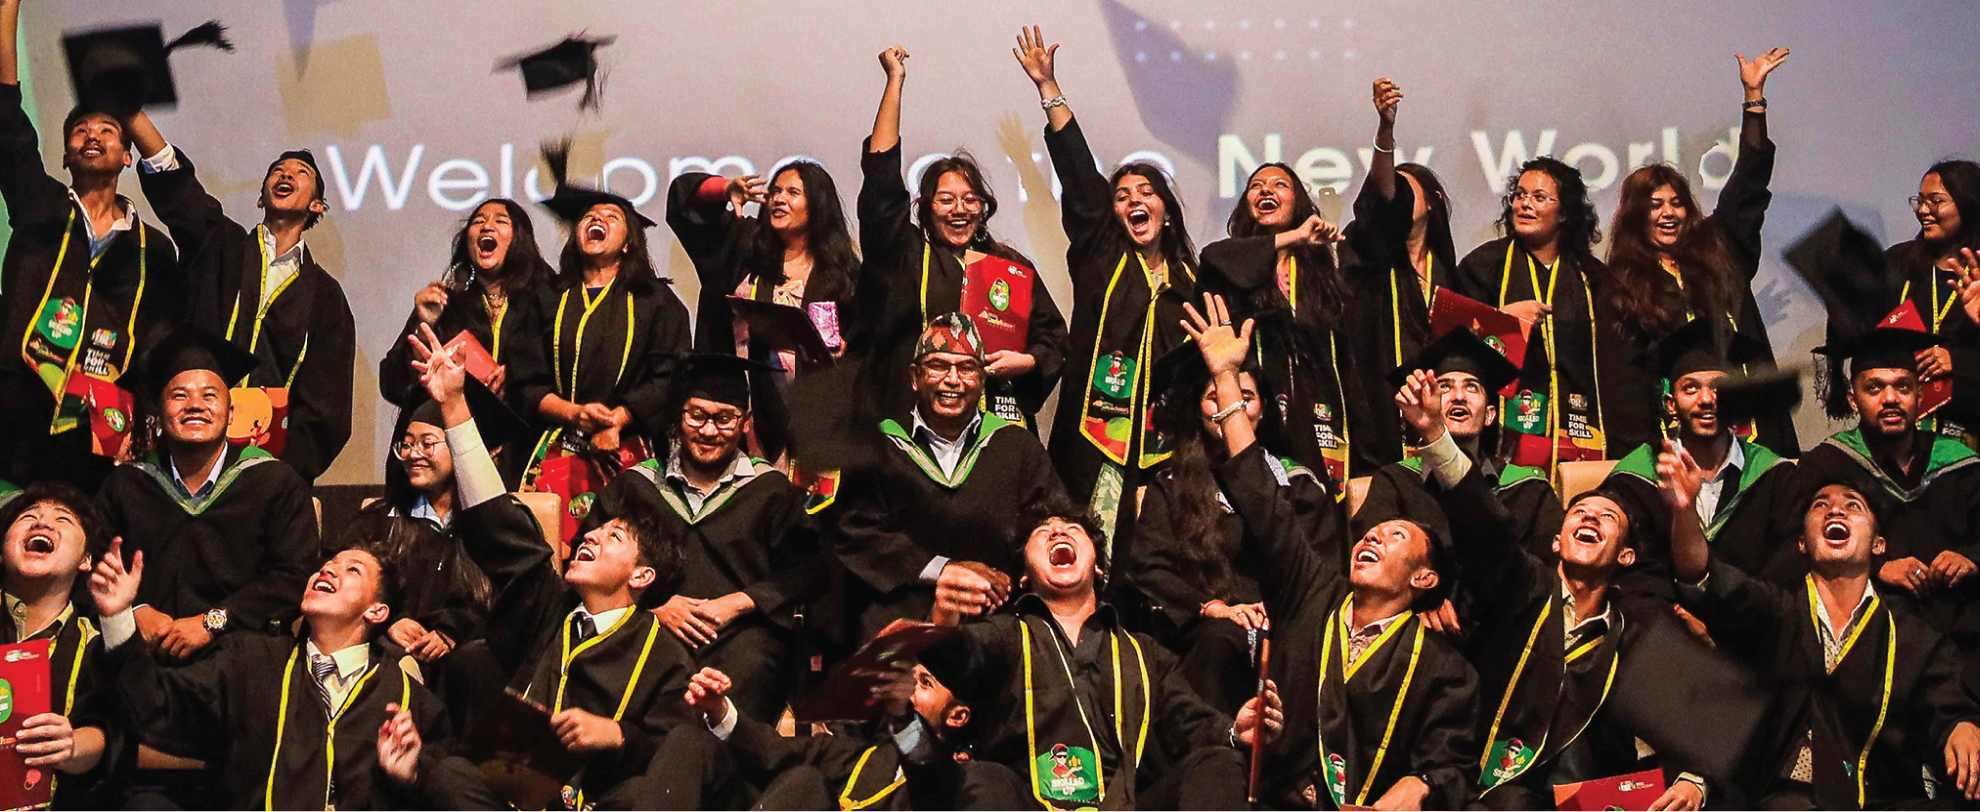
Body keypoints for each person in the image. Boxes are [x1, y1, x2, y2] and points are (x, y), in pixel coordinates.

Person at [1188, 294, 1481, 812]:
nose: (1372, 537)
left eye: (1396, 536)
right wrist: (1227, 377)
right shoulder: (1311, 593)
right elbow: (1260, 494)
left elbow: (1449, 766)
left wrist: (1417, 787)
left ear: (1424, 578)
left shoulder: (1445, 670)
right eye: (1372, 532)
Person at [1392, 369, 1718, 812]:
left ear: (1626, 556)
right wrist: (1434, 434)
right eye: (1579, 512)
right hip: (1498, 791)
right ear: (1555, 542)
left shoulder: (1635, 625)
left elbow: (1696, 708)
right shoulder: (1522, 589)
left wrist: (1693, 780)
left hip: (1593, 794)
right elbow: (1486, 525)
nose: (1590, 518)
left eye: (1608, 518)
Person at [409, 323, 694, 809]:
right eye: (596, 530)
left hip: (599, 799)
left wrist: (616, 734)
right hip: (516, 789)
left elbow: (674, 754)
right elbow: (496, 521)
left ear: (642, 575)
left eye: (614, 537)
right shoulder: (549, 605)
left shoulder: (665, 655)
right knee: (448, 775)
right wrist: (454, 405)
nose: (591, 536)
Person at [918, 503, 1283, 812]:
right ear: (1025, 576)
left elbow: (1190, 724)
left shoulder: (1146, 655)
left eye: (1072, 529)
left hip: (1128, 804)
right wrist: (943, 618)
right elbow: (952, 657)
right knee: (982, 778)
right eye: (1042, 532)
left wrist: (1237, 731)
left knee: (1218, 763)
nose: (1057, 532)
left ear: (1098, 567)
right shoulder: (1005, 636)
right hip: (1031, 805)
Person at [1663, 468, 1980, 811]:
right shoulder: (1775, 613)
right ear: (1802, 542)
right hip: (1788, 797)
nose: (1836, 511)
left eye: (1853, 505)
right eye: (1820, 505)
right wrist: (1684, 510)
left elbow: (1946, 700)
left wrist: (1961, 726)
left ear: (1878, 544)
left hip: (1876, 798)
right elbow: (1704, 574)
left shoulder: (1909, 634)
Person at [90, 525, 452, 812]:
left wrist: (408, 777)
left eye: (352, 569)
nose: (328, 569)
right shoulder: (250, 662)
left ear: (376, 611)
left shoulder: (409, 703)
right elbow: (156, 706)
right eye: (327, 564)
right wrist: (118, 618)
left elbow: (438, 795)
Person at [1015, 25, 1202, 542]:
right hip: (1096, 439)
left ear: (1166, 211)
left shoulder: (1193, 280)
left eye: (1146, 192)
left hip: (1167, 445)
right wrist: (1048, 88)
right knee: (1088, 542)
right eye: (1122, 196)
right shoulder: (1103, 256)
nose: (1133, 200)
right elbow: (1078, 174)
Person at [0, 0, 183, 492]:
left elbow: (155, 344)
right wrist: (7, 10)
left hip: (99, 430)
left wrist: (144, 422)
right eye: (80, 131)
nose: (92, 136)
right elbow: (7, 122)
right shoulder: (41, 207)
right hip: (17, 412)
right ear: (65, 155)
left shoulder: (152, 250)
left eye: (107, 130)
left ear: (128, 156)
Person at [587, 354, 826, 722]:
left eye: (724, 419)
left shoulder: (770, 490)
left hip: (740, 638)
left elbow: (806, 570)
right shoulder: (637, 487)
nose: (709, 431)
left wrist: (737, 603)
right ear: (678, 417)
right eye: (696, 416)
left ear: (746, 422)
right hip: (649, 628)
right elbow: (589, 564)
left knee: (755, 666)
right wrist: (653, 607)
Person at [121, 111, 356, 483]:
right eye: (277, 171)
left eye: (301, 173)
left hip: (265, 471)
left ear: (317, 206)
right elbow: (175, 185)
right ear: (261, 198)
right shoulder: (219, 244)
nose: (286, 175)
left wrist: (277, 474)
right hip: (183, 453)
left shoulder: (327, 298)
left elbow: (326, 410)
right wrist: (130, 113)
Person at [855, 44, 1068, 431]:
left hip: (995, 428)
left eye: (971, 200)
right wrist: (894, 82)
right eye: (946, 199)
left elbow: (1052, 337)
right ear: (926, 207)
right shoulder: (905, 256)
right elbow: (882, 182)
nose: (960, 209)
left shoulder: (1010, 265)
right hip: (913, 427)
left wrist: (1028, 361)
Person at [1599, 49, 1796, 459]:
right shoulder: (1623, 285)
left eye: (1676, 203)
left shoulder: (1719, 251)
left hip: (1755, 433)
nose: (1668, 213)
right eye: (1654, 205)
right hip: (1679, 444)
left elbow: (1748, 185)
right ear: (1635, 216)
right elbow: (1624, 385)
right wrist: (1641, 463)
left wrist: (1754, 101)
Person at [829, 313, 1067, 645]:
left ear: (982, 380)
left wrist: (1009, 579)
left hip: (995, 622)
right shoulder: (879, 448)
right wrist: (941, 570)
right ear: (915, 377)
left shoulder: (1018, 449)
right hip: (902, 619)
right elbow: (854, 532)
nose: (953, 380)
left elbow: (1052, 523)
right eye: (938, 366)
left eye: (967, 368)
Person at [94, 325, 320, 660]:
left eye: (210, 396)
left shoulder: (275, 483)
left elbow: (294, 577)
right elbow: (95, 561)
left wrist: (214, 621)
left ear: (231, 414)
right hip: (144, 657)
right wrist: (134, 610)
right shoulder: (127, 486)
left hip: (242, 659)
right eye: (179, 396)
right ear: (160, 413)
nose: (195, 405)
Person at [1130, 343, 1328, 715]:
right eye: (1215, 396)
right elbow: (1150, 568)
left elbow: (1321, 566)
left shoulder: (1297, 484)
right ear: (1197, 409)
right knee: (1219, 641)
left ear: (1263, 409)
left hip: (1286, 626)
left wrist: (1275, 610)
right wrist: (1212, 608)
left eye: (1245, 397)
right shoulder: (1170, 486)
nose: (1231, 405)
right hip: (1202, 631)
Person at [1798, 310, 1980, 671]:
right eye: (1874, 388)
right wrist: (1876, 567)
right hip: (1873, 647)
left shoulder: (1962, 464)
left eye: (1903, 387)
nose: (1890, 398)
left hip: (1964, 645)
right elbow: (1799, 552)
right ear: (1853, 399)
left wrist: (1971, 559)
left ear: (1920, 394)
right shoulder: (1827, 467)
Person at [515, 144, 693, 497]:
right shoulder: (547, 297)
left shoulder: (656, 301)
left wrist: (615, 421)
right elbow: (525, 380)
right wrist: (574, 414)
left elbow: (671, 376)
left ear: (628, 243)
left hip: (629, 448)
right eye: (588, 216)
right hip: (553, 449)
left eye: (612, 217)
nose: (596, 219)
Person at [1199, 160, 1372, 485]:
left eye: (1280, 184)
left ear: (1298, 202)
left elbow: (1345, 362)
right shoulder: (1230, 264)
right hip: (1258, 405)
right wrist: (1295, 235)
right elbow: (1214, 256)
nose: (1266, 189)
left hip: (1318, 410)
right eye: (1256, 186)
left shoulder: (1322, 275)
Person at [1601, 318, 1801, 584]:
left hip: (1752, 608)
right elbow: (1628, 571)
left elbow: (1787, 567)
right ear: (1671, 405)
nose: (1706, 399)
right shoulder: (1635, 478)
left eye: (1718, 388)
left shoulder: (1775, 477)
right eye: (1690, 388)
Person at [1452, 156, 1608, 476]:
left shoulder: (1594, 278)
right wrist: (1501, 321)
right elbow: (1450, 346)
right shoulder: (1483, 266)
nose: (1525, 204)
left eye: (1539, 197)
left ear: (1564, 212)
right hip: (1500, 444)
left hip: (1579, 439)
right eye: (1520, 195)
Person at [378, 199, 555, 479]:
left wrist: (520, 375)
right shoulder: (445, 303)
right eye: (478, 221)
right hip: (449, 457)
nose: (487, 225)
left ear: (519, 238)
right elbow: (392, 385)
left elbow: (569, 374)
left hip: (523, 457)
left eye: (500, 220)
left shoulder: (549, 300)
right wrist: (423, 323)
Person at [1355, 326, 1562, 563]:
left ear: (1489, 415)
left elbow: (1552, 572)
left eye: (1471, 386)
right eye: (1444, 386)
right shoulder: (1396, 483)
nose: (1459, 396)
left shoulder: (1528, 489)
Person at [1342, 76, 1460, 465]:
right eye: (1394, 192)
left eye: (1407, 192)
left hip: (1442, 422)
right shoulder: (1367, 261)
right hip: (1379, 419)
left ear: (1433, 202)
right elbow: (1380, 194)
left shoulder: (1455, 276)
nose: (1398, 200)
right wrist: (1385, 130)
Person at [667, 159, 860, 374]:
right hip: (734, 388)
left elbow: (862, 341)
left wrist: (845, 349)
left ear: (818, 205)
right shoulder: (742, 243)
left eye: (793, 193)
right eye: (775, 191)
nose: (779, 199)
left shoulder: (841, 271)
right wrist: (725, 189)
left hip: (811, 390)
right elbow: (682, 198)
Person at [0, 483, 125, 811]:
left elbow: (108, 728)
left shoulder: (96, 645)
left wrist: (71, 747)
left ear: (86, 559)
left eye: (63, 519)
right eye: (28, 517)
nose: (42, 523)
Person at [1887, 160, 1980, 448]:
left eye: (1936, 201)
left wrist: (1958, 361)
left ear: (1968, 204)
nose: (1923, 210)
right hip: (1901, 435)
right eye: (1920, 200)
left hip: (1968, 435)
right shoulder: (1899, 263)